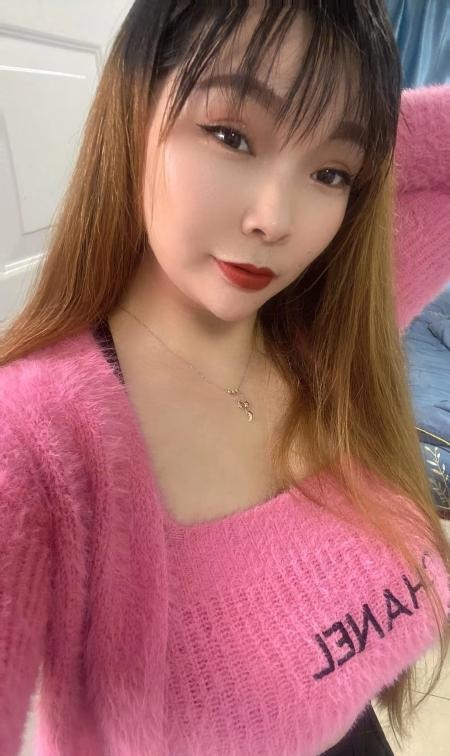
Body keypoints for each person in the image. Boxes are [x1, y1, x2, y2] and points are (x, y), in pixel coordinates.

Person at [1, 2, 449, 755]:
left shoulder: (331, 332)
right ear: (134, 106)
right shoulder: (36, 441)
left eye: (329, 172)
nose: (275, 218)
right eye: (231, 136)